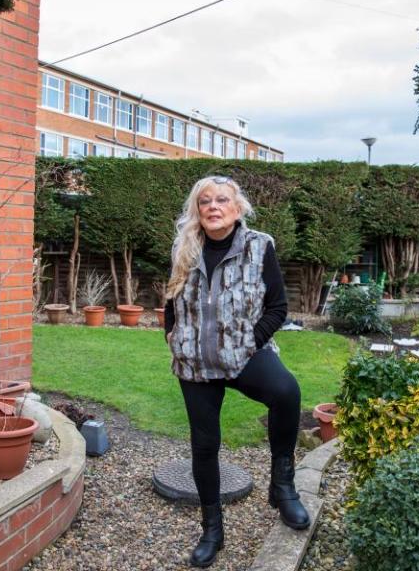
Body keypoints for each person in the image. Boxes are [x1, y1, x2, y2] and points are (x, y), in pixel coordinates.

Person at [164, 175, 310, 568]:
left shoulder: (260, 246)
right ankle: (212, 530)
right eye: (205, 201)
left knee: (286, 392)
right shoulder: (185, 248)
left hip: (245, 353)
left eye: (222, 200)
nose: (213, 206)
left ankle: (282, 486)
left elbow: (278, 308)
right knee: (205, 444)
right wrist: (174, 336)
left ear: (238, 207)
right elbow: (171, 302)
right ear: (197, 210)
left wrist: (248, 343)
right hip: (195, 362)